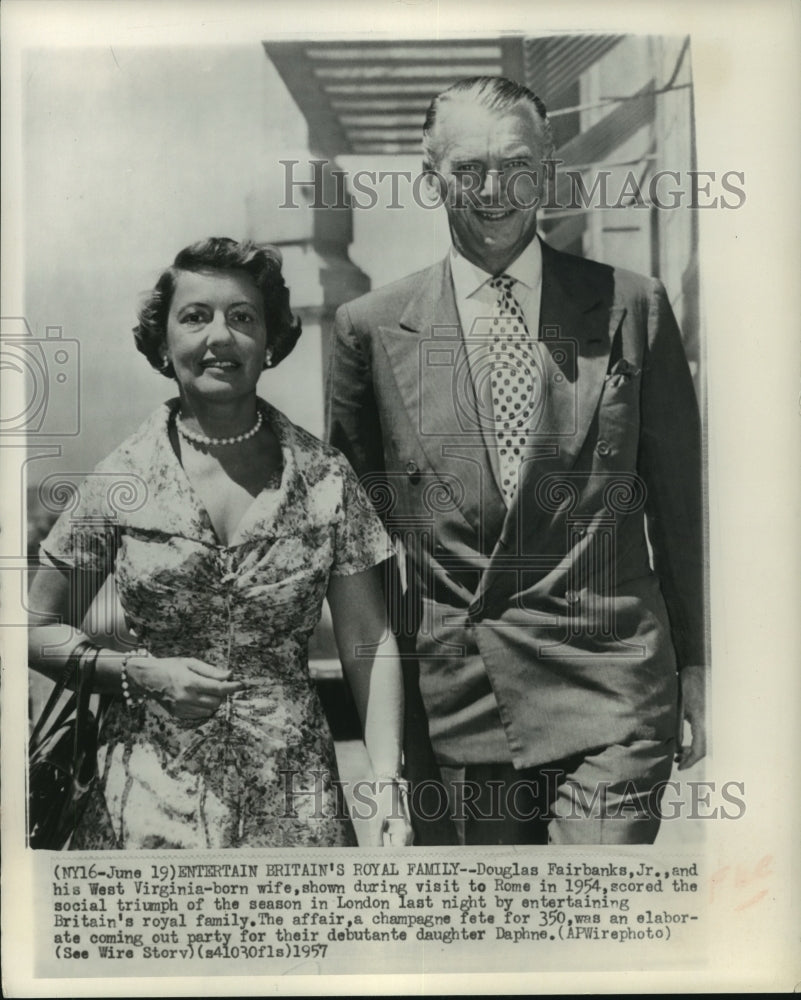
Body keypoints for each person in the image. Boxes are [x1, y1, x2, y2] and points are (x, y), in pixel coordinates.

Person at [327, 76, 706, 845]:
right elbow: (358, 550)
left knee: (591, 929)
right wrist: (382, 747)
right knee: (492, 949)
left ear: (550, 168)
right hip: (459, 694)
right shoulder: (368, 330)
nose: (495, 189)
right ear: (428, 175)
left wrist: (697, 665)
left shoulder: (631, 305)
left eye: (518, 164)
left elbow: (680, 509)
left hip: (612, 684)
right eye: (468, 169)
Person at [28, 236, 413, 849]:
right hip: (142, 809)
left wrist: (388, 786)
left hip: (295, 808)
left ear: (271, 341)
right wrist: (138, 673)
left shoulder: (328, 478)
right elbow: (34, 626)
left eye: (242, 318)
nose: (219, 337)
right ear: (163, 342)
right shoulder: (120, 477)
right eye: (195, 317)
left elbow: (369, 641)